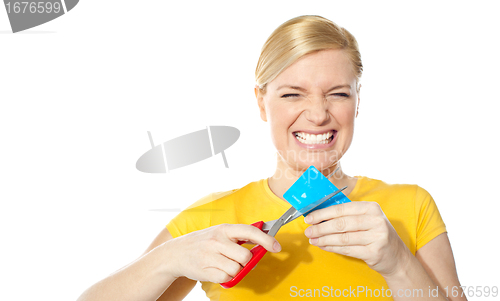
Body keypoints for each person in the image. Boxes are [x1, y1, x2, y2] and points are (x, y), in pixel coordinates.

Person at [77, 15, 465, 301]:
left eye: (338, 93)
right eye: (292, 94)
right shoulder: (211, 218)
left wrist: (397, 262)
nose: (317, 114)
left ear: (358, 102)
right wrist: (168, 259)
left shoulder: (411, 206)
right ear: (262, 102)